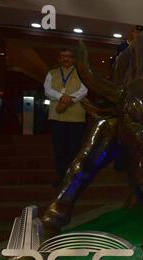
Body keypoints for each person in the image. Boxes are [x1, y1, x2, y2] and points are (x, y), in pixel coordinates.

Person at [44, 48, 88, 183]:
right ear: (59, 58)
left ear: (74, 59)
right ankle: (61, 177)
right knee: (59, 149)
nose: (66, 59)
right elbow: (47, 90)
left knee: (74, 149)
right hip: (56, 117)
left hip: (76, 117)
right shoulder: (52, 73)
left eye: (69, 56)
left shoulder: (82, 73)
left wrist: (70, 100)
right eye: (63, 56)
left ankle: (72, 178)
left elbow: (84, 90)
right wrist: (62, 97)